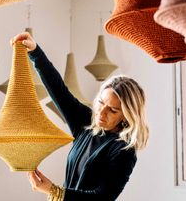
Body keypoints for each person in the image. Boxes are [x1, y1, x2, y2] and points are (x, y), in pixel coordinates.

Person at [11, 32, 149, 201]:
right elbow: (59, 91)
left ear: (126, 116)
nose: (101, 112)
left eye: (112, 110)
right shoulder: (87, 123)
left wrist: (54, 191)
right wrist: (35, 52)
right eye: (100, 102)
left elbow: (102, 198)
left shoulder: (124, 151)